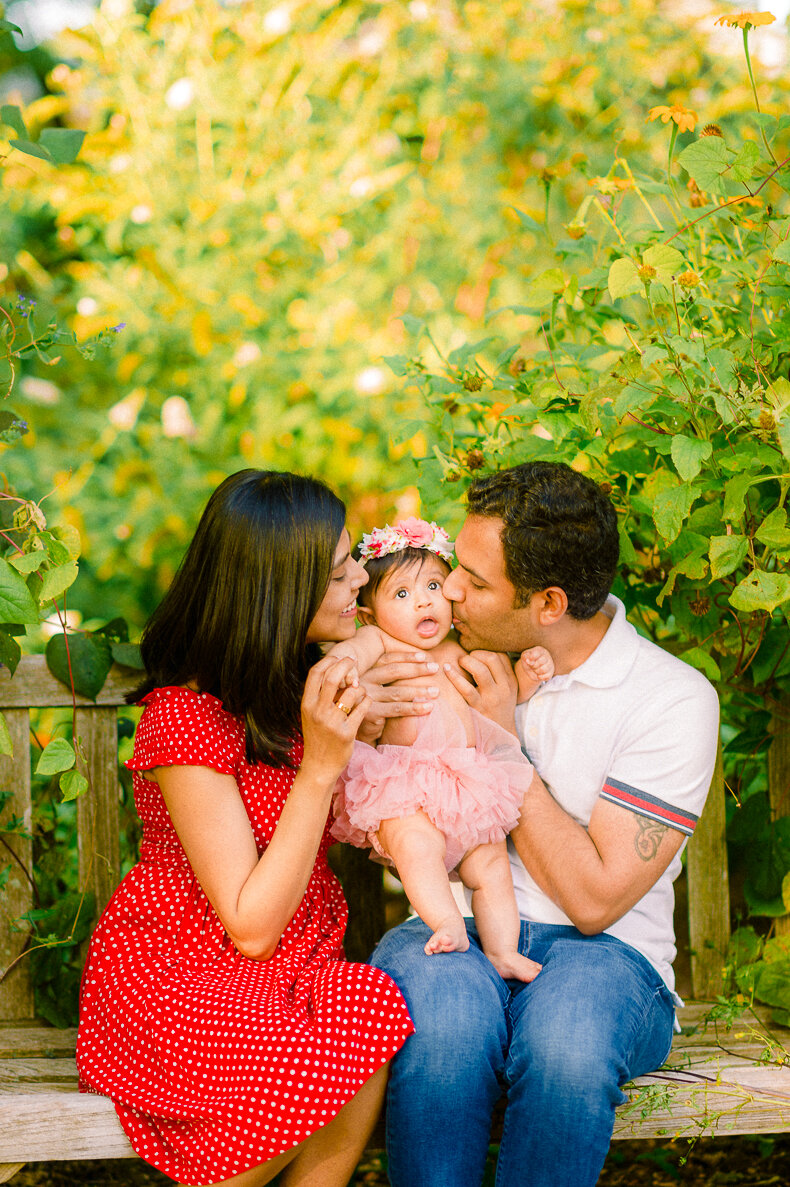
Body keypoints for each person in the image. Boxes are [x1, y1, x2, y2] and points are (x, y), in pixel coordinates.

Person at [369, 460, 720, 1187]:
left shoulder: (670, 700)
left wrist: (503, 739)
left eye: (474, 578)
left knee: (566, 1041)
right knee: (443, 1029)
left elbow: (595, 901)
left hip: (610, 955)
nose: (450, 589)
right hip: (456, 922)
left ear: (548, 602)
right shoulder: (446, 655)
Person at [76, 469, 414, 1187]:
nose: (359, 577)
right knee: (326, 1045)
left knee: (369, 1005)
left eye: (353, 558)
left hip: (286, 971)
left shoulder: (294, 684)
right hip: (184, 976)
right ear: (277, 589)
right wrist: (321, 767)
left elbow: (391, 641)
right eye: (336, 571)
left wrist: (353, 653)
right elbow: (251, 926)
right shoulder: (186, 718)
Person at [328, 516, 550, 982]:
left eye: (433, 584)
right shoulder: (380, 641)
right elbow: (349, 656)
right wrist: (341, 663)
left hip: (465, 786)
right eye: (402, 595)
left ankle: (503, 950)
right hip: (404, 786)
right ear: (369, 614)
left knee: (490, 866)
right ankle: (447, 921)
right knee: (415, 848)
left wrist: (528, 673)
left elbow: (506, 694)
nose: (424, 601)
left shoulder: (461, 649)